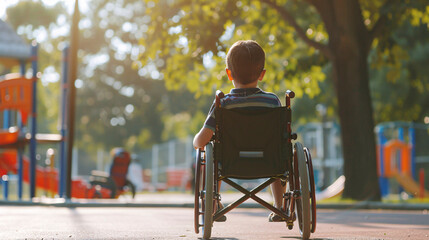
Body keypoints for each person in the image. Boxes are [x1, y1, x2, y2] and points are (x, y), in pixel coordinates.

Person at [193, 40, 285, 222]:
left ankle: (213, 203)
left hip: (230, 161)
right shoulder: (273, 102)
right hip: (269, 161)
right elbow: (281, 139)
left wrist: (196, 142)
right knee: (279, 151)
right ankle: (280, 206)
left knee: (213, 154)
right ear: (262, 74)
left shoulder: (223, 104)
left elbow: (202, 141)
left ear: (228, 73)